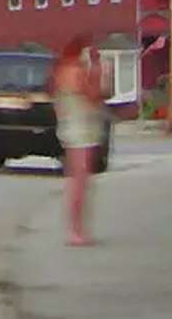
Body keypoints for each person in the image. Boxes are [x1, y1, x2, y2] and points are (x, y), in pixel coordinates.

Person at [52, 34, 106, 246]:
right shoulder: (75, 72)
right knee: (80, 182)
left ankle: (77, 228)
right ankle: (76, 230)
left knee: (78, 179)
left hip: (72, 126)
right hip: (80, 129)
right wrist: (97, 70)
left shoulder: (61, 71)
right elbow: (93, 96)